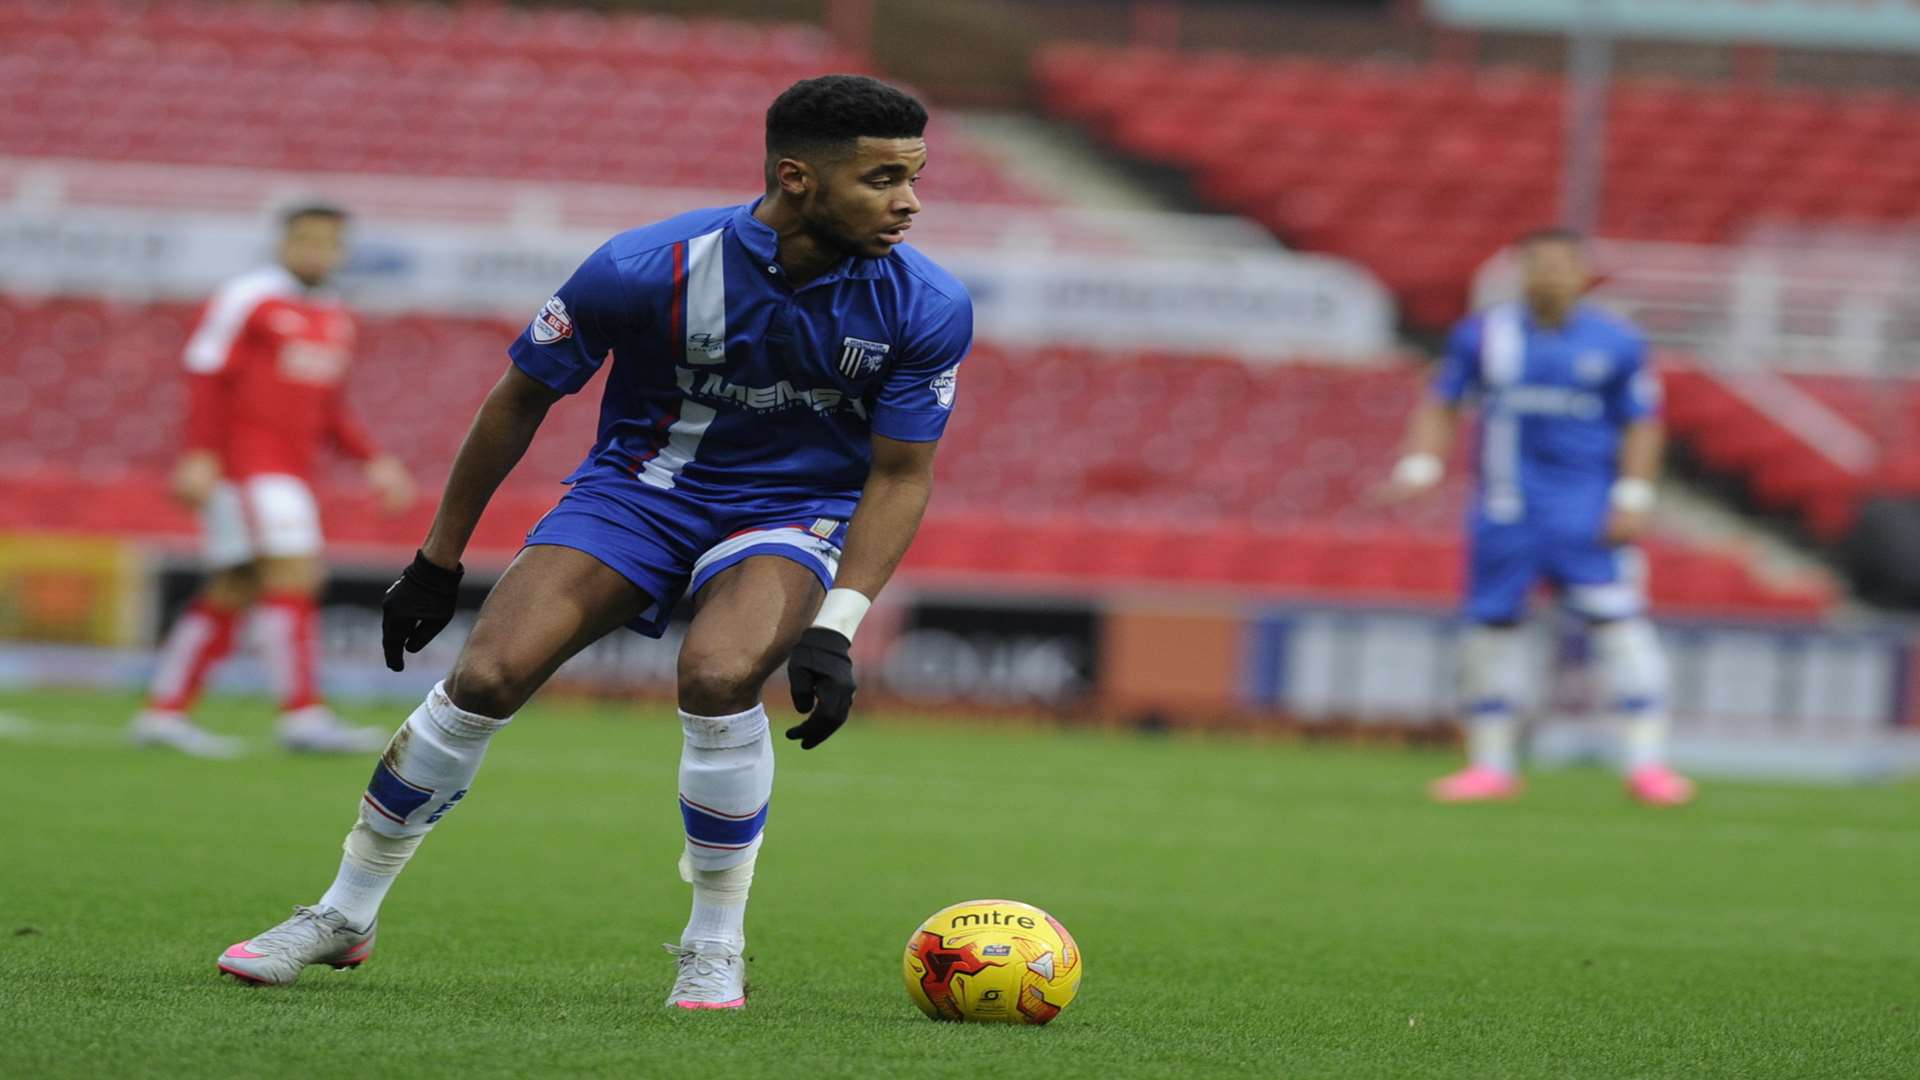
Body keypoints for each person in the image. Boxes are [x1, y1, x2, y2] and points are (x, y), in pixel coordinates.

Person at [215, 75, 972, 1009]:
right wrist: (437, 559)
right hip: (638, 491)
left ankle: (713, 943)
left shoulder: (925, 303)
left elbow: (899, 474)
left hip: (790, 509)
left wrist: (838, 625)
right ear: (798, 178)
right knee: (485, 678)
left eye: (914, 175)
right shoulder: (644, 265)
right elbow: (522, 398)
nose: (911, 201)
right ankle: (343, 914)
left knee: (720, 674)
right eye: (885, 178)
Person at [1377, 228, 1694, 807]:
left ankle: (1648, 765)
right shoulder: (1484, 336)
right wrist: (1421, 467)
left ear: (1583, 275)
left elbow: (1643, 422)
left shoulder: (1617, 342)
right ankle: (1491, 765)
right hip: (1506, 512)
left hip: (1587, 514)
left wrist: (1633, 497)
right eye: (1537, 265)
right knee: (1490, 635)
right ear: (1520, 272)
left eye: (1560, 266)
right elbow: (1443, 401)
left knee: (1621, 629)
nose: (1549, 276)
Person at [131, 203, 414, 758]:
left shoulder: (334, 315)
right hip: (248, 467)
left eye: (328, 243)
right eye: (305, 240)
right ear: (283, 242)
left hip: (288, 470)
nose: (316, 252)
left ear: (342, 250)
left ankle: (164, 712)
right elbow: (207, 373)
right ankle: (303, 716)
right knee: (295, 573)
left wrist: (373, 460)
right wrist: (200, 454)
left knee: (235, 585)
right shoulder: (249, 297)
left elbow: (331, 407)